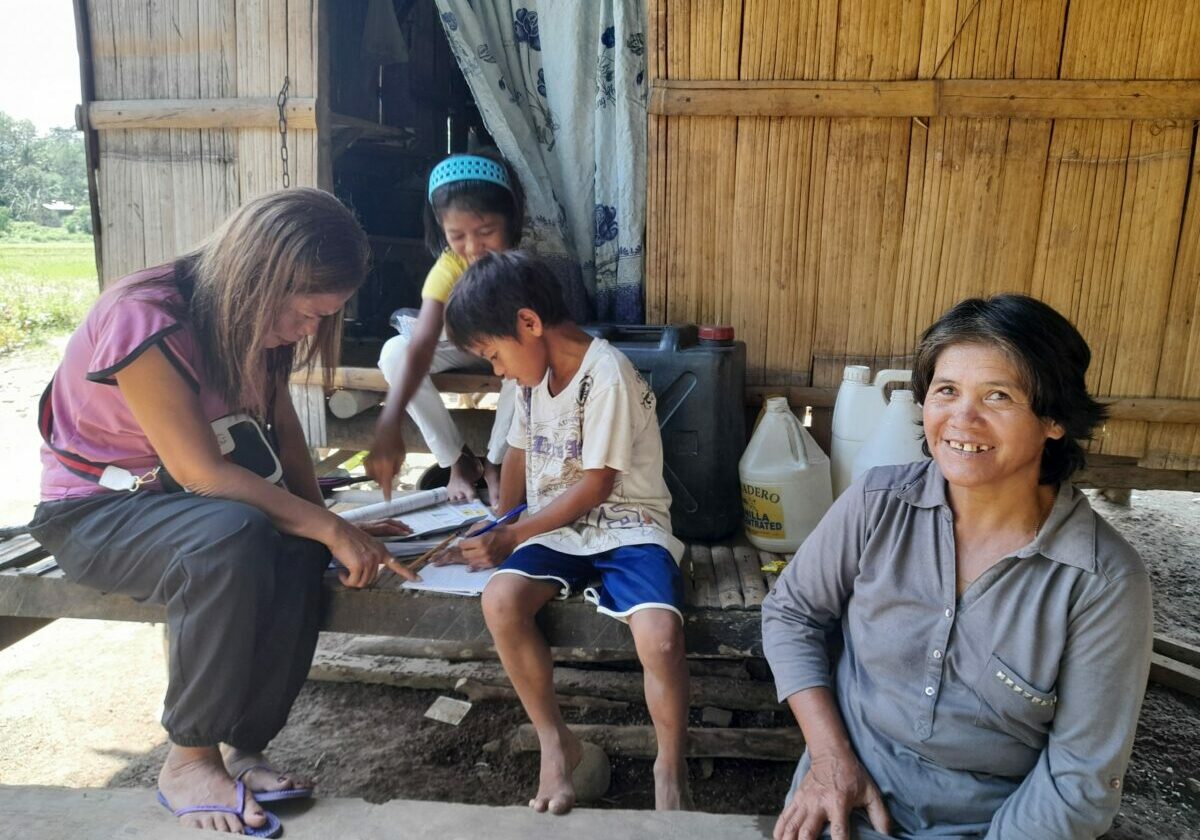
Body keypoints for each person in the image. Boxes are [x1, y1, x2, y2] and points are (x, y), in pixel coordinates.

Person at [29, 187, 416, 837]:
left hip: (183, 512)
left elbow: (283, 428)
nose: (310, 330)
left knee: (294, 544)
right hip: (95, 514)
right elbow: (199, 473)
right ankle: (188, 760)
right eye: (306, 314)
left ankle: (246, 746)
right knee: (235, 534)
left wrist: (326, 526)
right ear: (259, 280)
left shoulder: (256, 319)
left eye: (326, 317)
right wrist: (325, 523)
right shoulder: (143, 317)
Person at [762, 294, 1153, 840]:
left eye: (998, 395)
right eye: (946, 391)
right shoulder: (876, 505)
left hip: (995, 824)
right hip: (843, 794)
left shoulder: (1103, 581)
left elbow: (1078, 781)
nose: (961, 418)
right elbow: (791, 614)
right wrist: (828, 758)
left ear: (1055, 418)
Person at [441, 250, 690, 813]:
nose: (497, 370)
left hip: (629, 526)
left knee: (661, 637)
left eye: (494, 354)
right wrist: (499, 523)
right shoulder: (529, 382)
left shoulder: (607, 373)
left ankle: (669, 769)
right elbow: (521, 458)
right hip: (561, 529)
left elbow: (597, 487)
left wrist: (513, 535)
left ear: (528, 324)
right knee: (502, 600)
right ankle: (557, 745)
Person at [368, 150, 525, 504]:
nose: (472, 248)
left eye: (486, 232)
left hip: (510, 351)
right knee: (394, 352)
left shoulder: (521, 265)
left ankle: (497, 462)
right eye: (457, 235)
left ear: (510, 220)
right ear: (441, 229)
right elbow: (423, 342)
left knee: (527, 369)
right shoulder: (448, 267)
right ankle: (458, 462)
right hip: (462, 347)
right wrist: (389, 421)